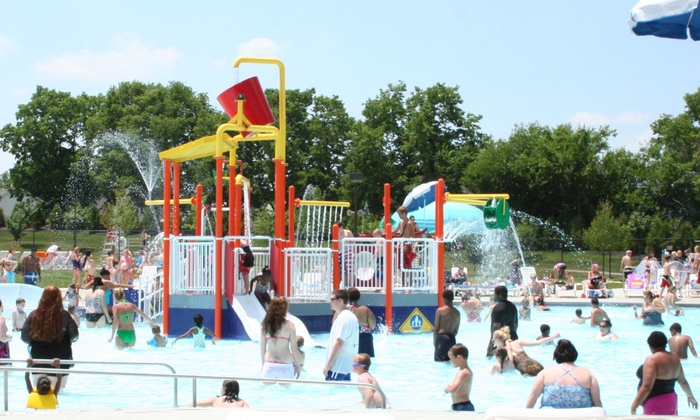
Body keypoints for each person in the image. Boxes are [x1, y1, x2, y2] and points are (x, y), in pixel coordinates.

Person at [21, 286, 79, 386]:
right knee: (58, 395)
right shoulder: (64, 315)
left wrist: (38, 338)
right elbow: (74, 336)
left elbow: (25, 337)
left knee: (39, 395)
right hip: (60, 360)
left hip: (38, 359)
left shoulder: (34, 315)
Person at [631, 331, 698, 415]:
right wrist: (690, 396)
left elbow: (647, 387)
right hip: (671, 400)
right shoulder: (675, 358)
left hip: (655, 402)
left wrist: (634, 406)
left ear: (650, 345)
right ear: (665, 343)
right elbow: (682, 381)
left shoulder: (652, 360)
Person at [526, 339, 602, 409]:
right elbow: (597, 402)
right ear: (574, 354)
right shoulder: (587, 374)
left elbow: (533, 396)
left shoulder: (545, 373)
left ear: (556, 355)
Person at [259, 296, 302, 379]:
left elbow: (262, 349)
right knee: (286, 392)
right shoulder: (290, 326)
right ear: (285, 308)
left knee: (266, 392)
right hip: (285, 364)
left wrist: (262, 365)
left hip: (269, 364)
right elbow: (294, 348)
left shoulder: (264, 326)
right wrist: (298, 367)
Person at [492, 326, 560, 377]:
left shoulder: (502, 352)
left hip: (527, 372)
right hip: (538, 366)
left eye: (494, 341)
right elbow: (538, 343)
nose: (494, 343)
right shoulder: (517, 342)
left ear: (499, 339)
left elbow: (507, 368)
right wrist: (554, 336)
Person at [324, 289, 359, 381]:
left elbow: (339, 342)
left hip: (337, 366)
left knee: (332, 393)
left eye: (332, 299)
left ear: (340, 301)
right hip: (346, 366)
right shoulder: (351, 316)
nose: (329, 301)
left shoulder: (343, 318)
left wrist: (328, 365)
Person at [487, 285, 518, 357]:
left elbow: (495, 326)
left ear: (500, 295)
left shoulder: (497, 308)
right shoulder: (513, 306)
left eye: (495, 294)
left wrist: (491, 343)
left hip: (500, 340)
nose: (494, 296)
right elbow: (515, 324)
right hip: (513, 337)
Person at [444, 343, 474, 412]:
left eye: (451, 358)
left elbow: (453, 390)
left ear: (459, 358)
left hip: (462, 407)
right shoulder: (467, 371)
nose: (450, 361)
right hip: (464, 405)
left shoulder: (463, 372)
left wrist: (447, 388)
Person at [348, 287, 376, 357]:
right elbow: (372, 327)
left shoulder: (343, 310)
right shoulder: (365, 310)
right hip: (364, 339)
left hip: (349, 337)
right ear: (358, 297)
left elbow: (334, 325)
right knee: (364, 364)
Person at [434, 289, 460, 362]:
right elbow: (456, 331)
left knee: (440, 362)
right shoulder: (457, 313)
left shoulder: (440, 311)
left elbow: (436, 328)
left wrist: (434, 341)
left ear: (444, 299)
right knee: (451, 362)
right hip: (452, 338)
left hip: (442, 338)